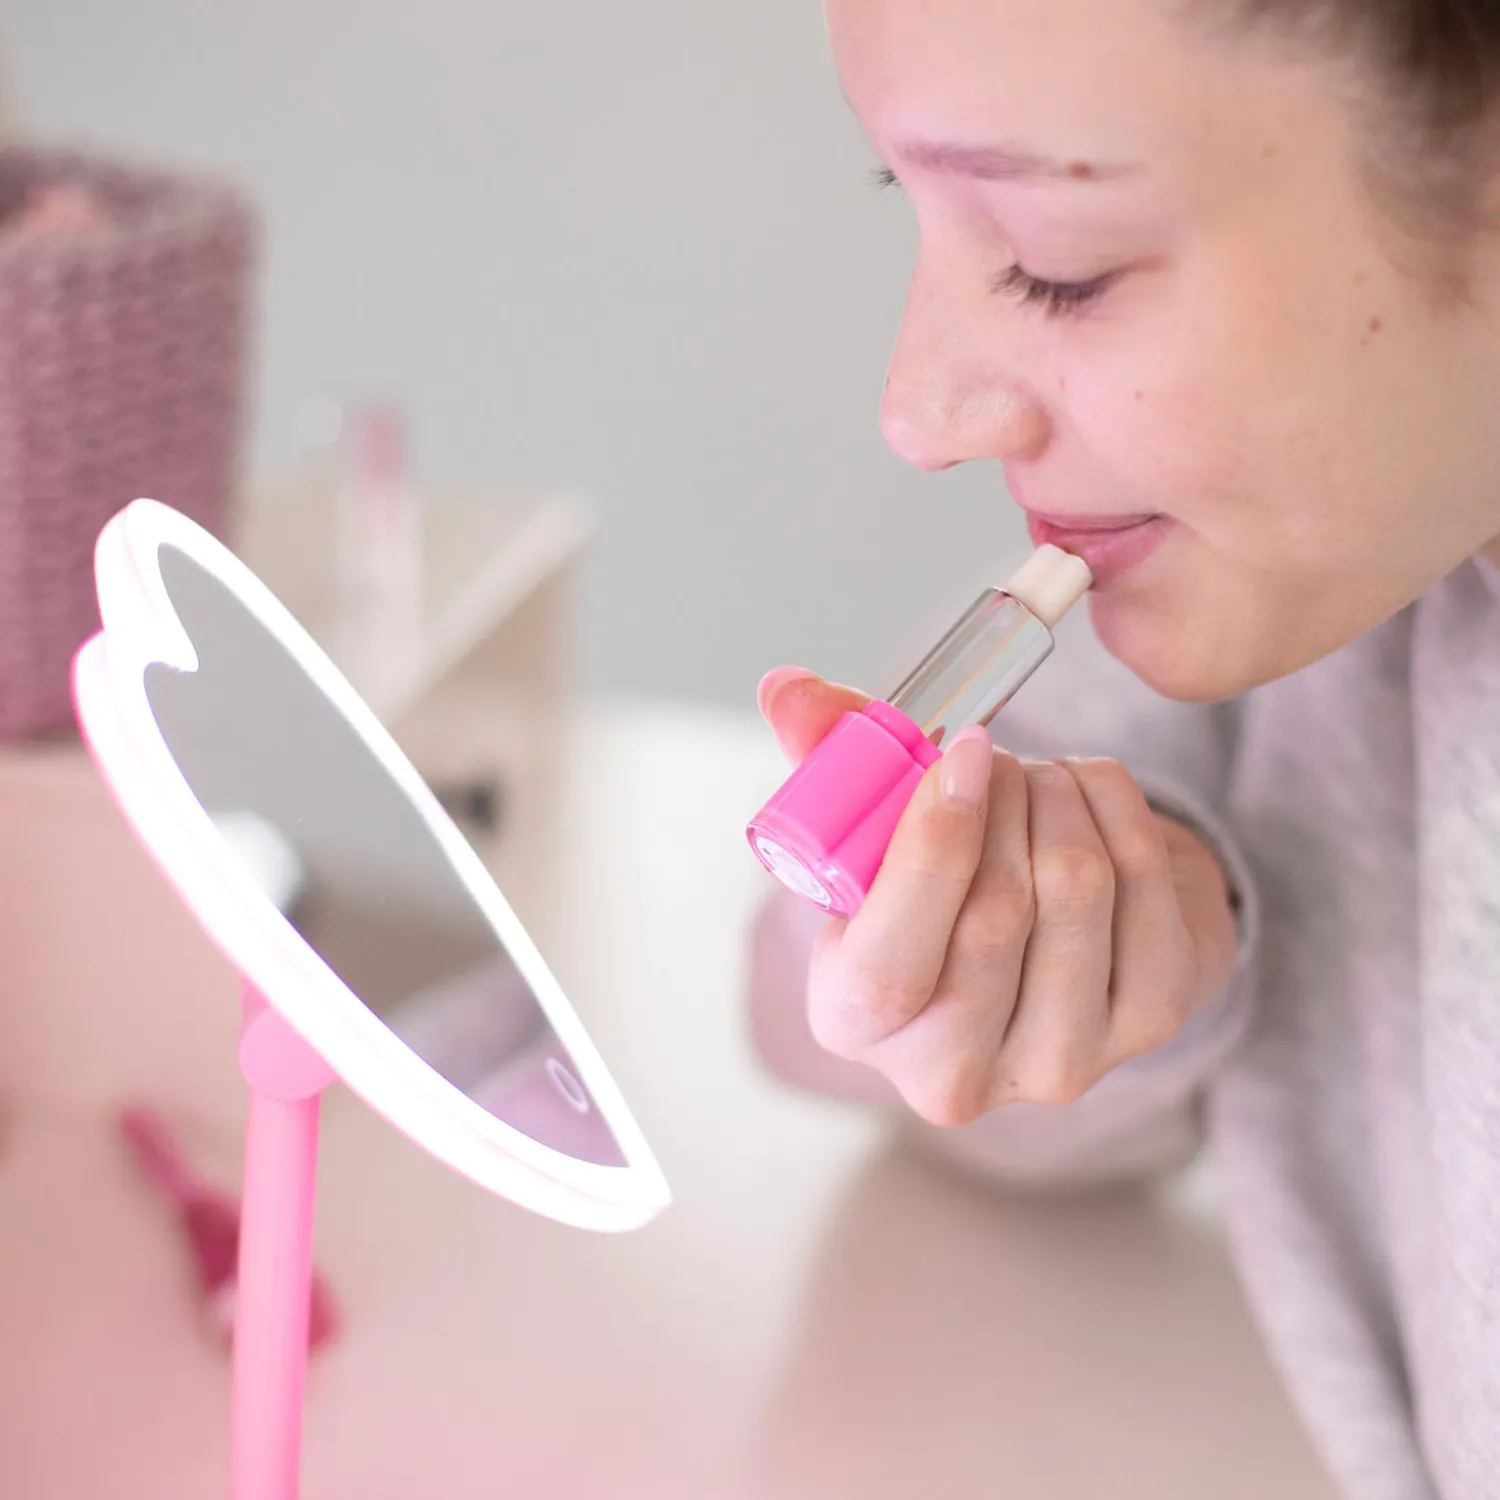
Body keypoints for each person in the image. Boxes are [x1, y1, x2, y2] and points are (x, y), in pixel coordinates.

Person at [744, 3, 1500, 1497]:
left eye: (1055, 266)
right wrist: (1082, 960)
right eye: (912, 201)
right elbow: (799, 1012)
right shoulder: (1324, 567)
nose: (917, 415)